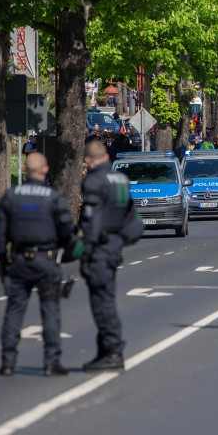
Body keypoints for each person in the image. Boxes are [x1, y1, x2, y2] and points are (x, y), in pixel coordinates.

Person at [0, 153, 78, 376]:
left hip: (19, 260)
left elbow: (0, 237)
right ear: (45, 170)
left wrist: (4, 263)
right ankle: (51, 362)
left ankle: (7, 362)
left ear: (24, 170)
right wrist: (65, 253)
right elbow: (67, 233)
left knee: (14, 311)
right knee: (50, 310)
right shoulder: (53, 198)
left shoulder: (11, 197)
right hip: (47, 260)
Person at [79, 140, 142, 372]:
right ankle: (104, 351)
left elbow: (91, 219)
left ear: (88, 160)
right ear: (106, 157)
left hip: (100, 248)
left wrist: (87, 250)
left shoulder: (94, 181)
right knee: (105, 298)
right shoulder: (121, 179)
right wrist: (122, 240)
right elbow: (132, 219)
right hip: (114, 245)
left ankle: (113, 351)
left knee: (101, 303)